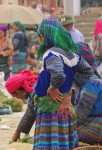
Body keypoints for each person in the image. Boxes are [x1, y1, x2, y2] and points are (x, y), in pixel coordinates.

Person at [33, 18, 93, 150]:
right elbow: (88, 71)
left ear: (44, 37)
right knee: (64, 145)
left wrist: (53, 87)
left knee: (50, 145)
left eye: (39, 36)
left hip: (51, 110)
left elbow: (58, 73)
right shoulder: (72, 55)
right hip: (65, 108)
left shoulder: (51, 54)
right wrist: (72, 84)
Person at [75, 42, 102, 145]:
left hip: (98, 126)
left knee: (62, 132)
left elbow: (81, 113)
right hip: (94, 122)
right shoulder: (87, 81)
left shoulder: (91, 82)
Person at [5, 69, 38, 141]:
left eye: (15, 96)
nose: (16, 98)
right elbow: (30, 112)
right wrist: (18, 132)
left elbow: (31, 112)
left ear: (18, 91)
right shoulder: (32, 91)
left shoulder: (36, 92)